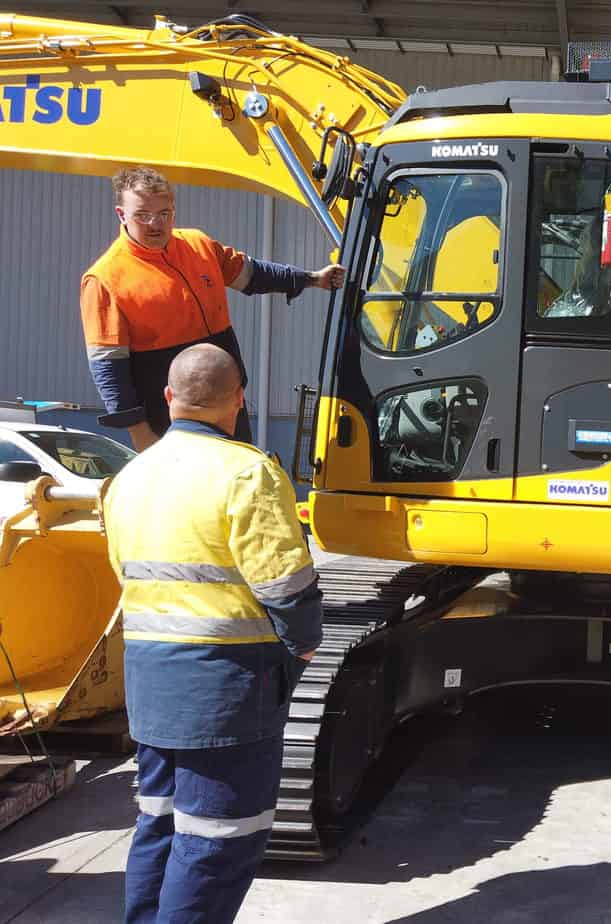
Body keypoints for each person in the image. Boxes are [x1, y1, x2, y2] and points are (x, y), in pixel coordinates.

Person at [102, 344, 323, 924]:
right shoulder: (248, 472)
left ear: (168, 398)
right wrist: (302, 643)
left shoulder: (129, 477)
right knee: (218, 840)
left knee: (160, 824)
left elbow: (124, 574)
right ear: (239, 400)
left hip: (150, 686)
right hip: (226, 690)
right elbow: (286, 587)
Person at [81, 165, 345, 450]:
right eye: (142, 215)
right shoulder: (105, 278)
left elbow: (252, 274)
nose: (155, 224)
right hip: (170, 416)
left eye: (164, 214)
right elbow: (109, 368)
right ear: (121, 214)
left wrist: (313, 279)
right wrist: (139, 432)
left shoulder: (199, 245)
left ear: (174, 210)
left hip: (228, 402)